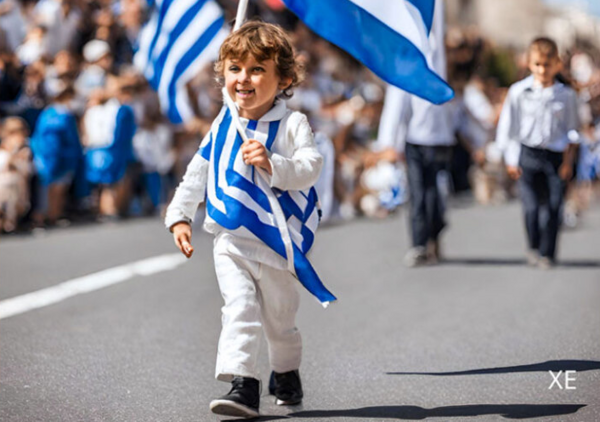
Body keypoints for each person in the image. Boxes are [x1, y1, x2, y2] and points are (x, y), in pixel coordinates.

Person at [164, 21, 325, 418]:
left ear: (284, 78)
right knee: (239, 308)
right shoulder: (223, 122)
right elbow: (199, 170)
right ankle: (243, 384)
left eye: (257, 69)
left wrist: (274, 164)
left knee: (280, 322)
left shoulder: (292, 124)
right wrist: (180, 216)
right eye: (235, 68)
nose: (243, 78)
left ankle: (285, 372)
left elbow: (310, 167)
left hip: (276, 242)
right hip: (232, 238)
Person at [496, 37, 580, 269]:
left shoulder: (566, 95)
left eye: (547, 64)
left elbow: (572, 131)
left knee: (553, 207)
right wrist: (511, 160)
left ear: (556, 64)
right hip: (528, 155)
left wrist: (567, 162)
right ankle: (534, 245)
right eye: (537, 64)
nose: (542, 70)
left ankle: (548, 253)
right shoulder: (519, 92)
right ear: (530, 64)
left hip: (555, 157)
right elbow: (508, 129)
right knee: (532, 207)